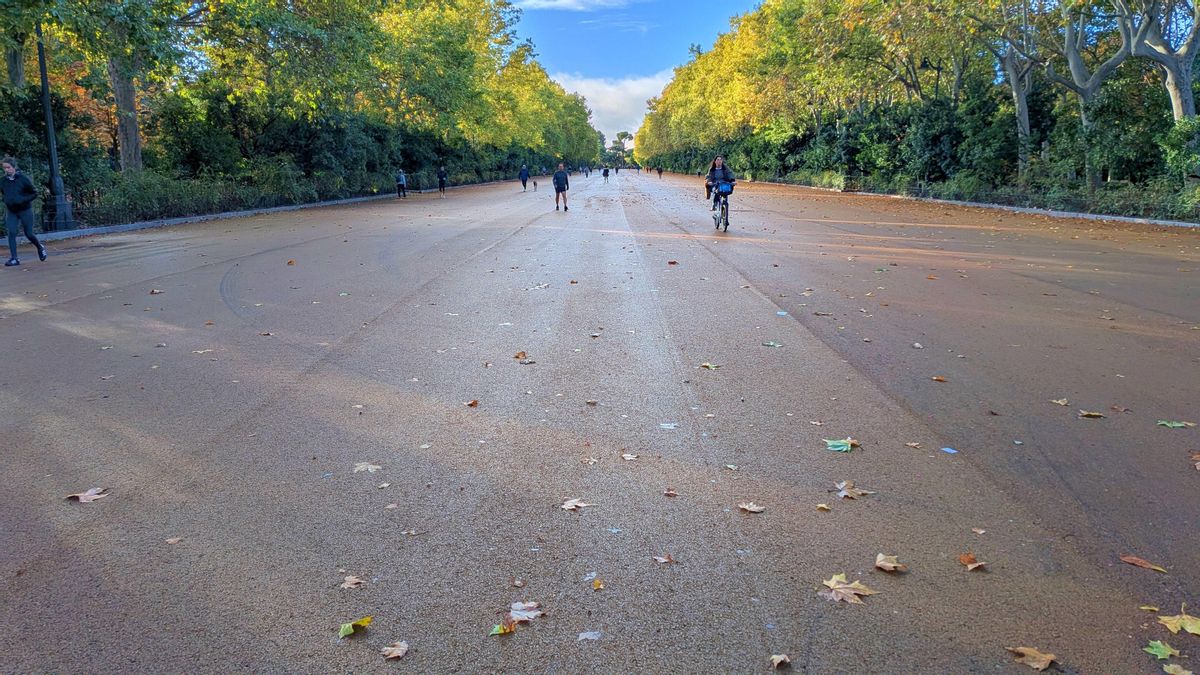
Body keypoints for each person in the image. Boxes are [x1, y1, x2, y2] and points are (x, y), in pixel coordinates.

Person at [2, 157, 47, 267]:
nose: (6, 170)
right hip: (12, 211)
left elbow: (34, 193)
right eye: (4, 168)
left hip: (25, 210)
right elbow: (3, 193)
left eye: (8, 167)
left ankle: (40, 247)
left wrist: (22, 199)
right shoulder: (2, 181)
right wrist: (6, 200)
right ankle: (14, 259)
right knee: (11, 232)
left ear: (14, 167)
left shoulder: (23, 179)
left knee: (29, 233)